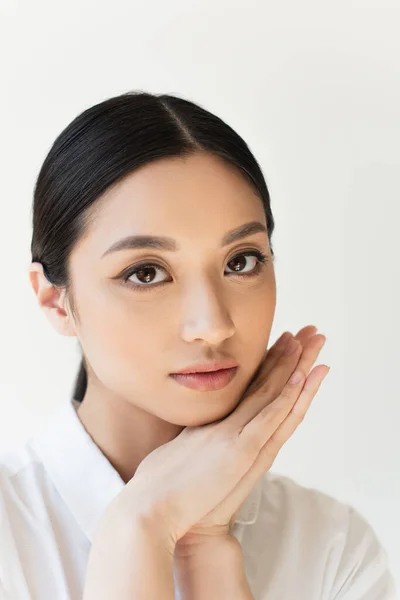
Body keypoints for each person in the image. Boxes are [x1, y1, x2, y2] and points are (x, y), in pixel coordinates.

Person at [0, 91, 395, 599]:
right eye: (146, 272)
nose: (212, 325)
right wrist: (139, 526)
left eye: (241, 262)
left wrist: (206, 547)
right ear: (56, 301)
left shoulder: (330, 549)